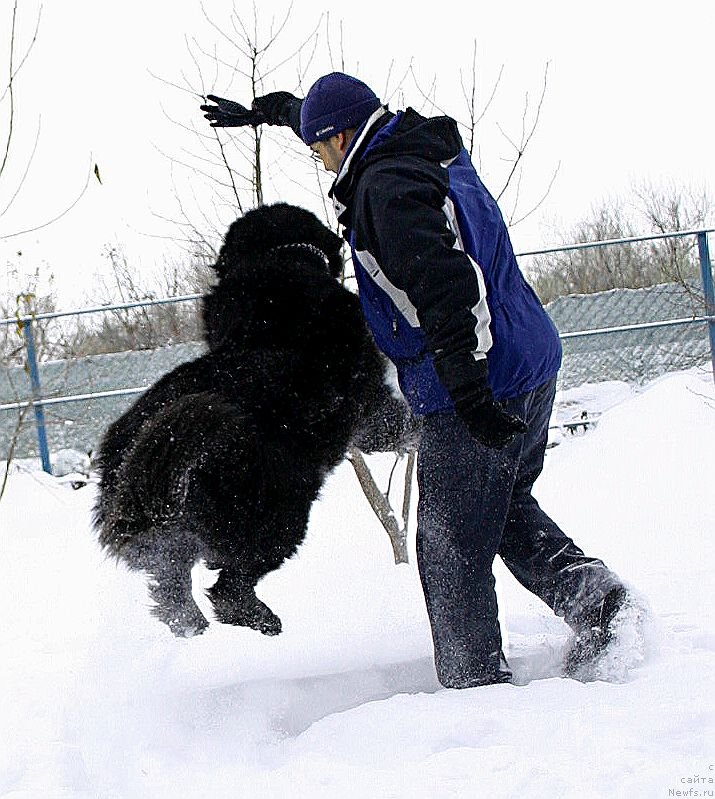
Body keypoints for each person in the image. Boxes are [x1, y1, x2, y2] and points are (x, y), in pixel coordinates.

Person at [200, 73, 635, 688]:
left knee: (450, 545)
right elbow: (323, 116)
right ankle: (598, 602)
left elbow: (451, 293)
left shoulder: (387, 191)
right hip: (530, 356)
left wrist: (471, 393)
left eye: (320, 148)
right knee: (503, 505)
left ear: (344, 136)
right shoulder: (421, 145)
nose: (320, 162)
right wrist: (268, 113)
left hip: (480, 379)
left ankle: (475, 686)